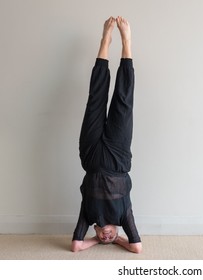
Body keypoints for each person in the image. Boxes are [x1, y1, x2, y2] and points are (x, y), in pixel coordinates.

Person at [71, 16, 142, 254]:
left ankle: (105, 41)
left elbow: (76, 246)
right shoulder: (124, 216)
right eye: (108, 237)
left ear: (96, 231)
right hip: (118, 160)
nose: (105, 236)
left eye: (102, 237)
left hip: (90, 156)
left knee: (95, 99)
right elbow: (137, 248)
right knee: (123, 103)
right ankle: (126, 43)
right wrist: (119, 240)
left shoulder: (89, 216)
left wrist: (95, 240)